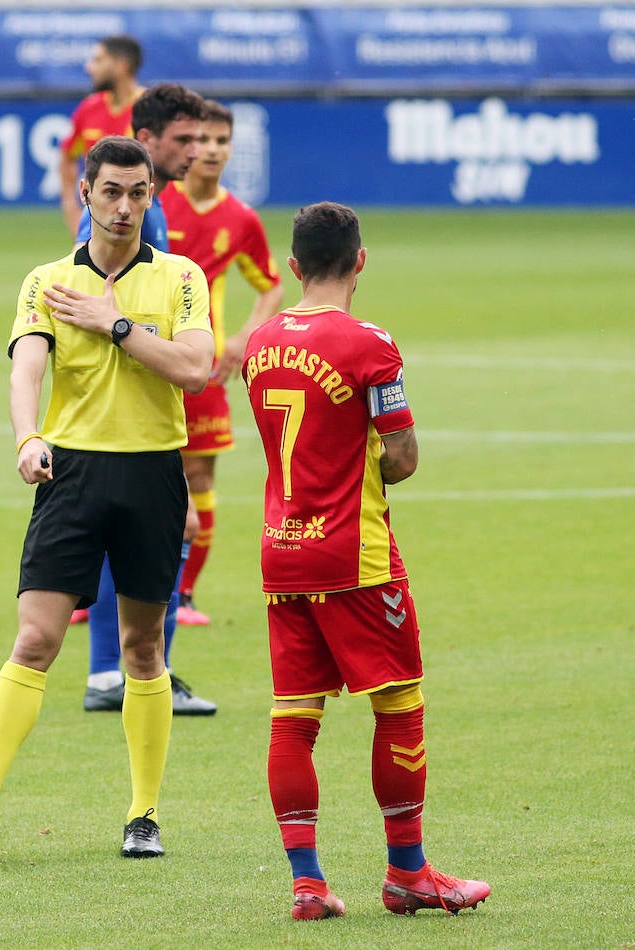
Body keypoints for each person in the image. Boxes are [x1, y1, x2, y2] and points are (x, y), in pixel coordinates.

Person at [0, 135, 214, 860]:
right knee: (36, 637)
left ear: (152, 196)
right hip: (73, 476)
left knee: (142, 648)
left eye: (139, 193)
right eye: (111, 192)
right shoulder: (47, 280)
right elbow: (26, 369)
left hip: (153, 472)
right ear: (85, 192)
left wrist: (115, 326)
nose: (125, 207)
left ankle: (144, 814)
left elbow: (196, 369)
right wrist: (28, 437)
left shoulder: (182, 277)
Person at [242, 202, 490, 921]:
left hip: (281, 553)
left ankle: (308, 884)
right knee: (400, 704)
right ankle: (408, 871)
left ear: (292, 267)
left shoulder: (261, 342)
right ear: (360, 261)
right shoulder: (370, 345)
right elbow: (403, 457)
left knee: (293, 718)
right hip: (356, 556)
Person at [75, 83, 217, 716]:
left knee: (130, 540)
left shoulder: (145, 210)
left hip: (137, 411)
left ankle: (121, 672)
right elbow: (105, 314)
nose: (197, 151)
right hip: (123, 422)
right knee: (145, 537)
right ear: (150, 139)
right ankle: (127, 673)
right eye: (184, 139)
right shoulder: (126, 217)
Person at [164, 100, 285, 626]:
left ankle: (184, 593)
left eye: (221, 141)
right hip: (145, 361)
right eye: (202, 140)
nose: (211, 150)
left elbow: (271, 283)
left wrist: (243, 337)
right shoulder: (155, 201)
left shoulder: (240, 219)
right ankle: (98, 594)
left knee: (199, 476)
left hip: (203, 368)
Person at [58, 35, 145, 238]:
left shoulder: (149, 107)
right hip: (96, 219)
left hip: (140, 217)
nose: (89, 68)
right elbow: (67, 156)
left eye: (98, 60)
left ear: (121, 65)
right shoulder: (90, 107)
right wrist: (71, 207)